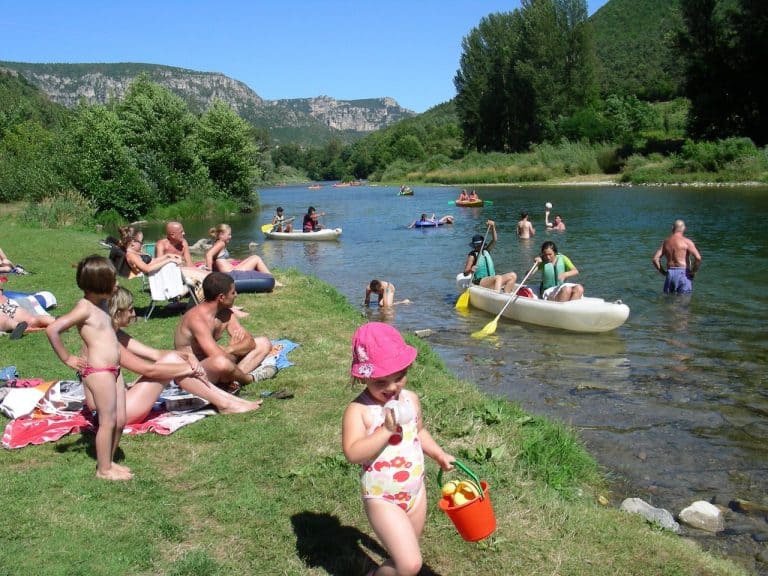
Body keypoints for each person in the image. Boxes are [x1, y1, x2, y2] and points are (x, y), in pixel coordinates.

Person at [342, 322, 454, 576]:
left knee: (404, 557)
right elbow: (352, 452)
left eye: (399, 377)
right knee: (410, 563)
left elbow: (419, 431)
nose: (392, 387)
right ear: (363, 376)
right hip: (382, 496)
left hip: (415, 492)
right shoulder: (359, 411)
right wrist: (386, 430)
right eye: (381, 381)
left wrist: (438, 453)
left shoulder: (410, 399)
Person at [109, 287, 262, 421]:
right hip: (119, 412)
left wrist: (187, 357)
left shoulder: (115, 333)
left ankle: (228, 401)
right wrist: (188, 368)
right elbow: (147, 370)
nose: (133, 313)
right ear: (116, 313)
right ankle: (226, 403)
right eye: (130, 310)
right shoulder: (108, 340)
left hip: (120, 405)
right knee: (175, 361)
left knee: (174, 358)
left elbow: (154, 353)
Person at [46, 255, 132, 481]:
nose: (116, 285)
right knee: (108, 420)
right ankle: (103, 470)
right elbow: (53, 330)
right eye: (112, 282)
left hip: (114, 370)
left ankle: (110, 461)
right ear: (98, 286)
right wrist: (67, 358)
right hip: (99, 371)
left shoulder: (102, 302)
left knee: (120, 420)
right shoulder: (84, 308)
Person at [174, 272, 276, 393]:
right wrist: (232, 350)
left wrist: (230, 349)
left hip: (215, 363)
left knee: (263, 343)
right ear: (222, 297)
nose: (236, 295)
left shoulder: (225, 313)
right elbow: (218, 358)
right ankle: (250, 378)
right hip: (192, 371)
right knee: (222, 363)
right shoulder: (197, 320)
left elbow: (250, 342)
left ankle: (234, 380)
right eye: (233, 292)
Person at [205, 224, 277, 283]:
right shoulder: (221, 243)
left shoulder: (217, 243)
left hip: (231, 270)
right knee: (256, 258)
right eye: (229, 234)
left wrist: (229, 260)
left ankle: (272, 279)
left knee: (252, 257)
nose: (230, 237)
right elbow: (209, 255)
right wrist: (209, 273)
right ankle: (273, 281)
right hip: (231, 274)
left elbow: (218, 259)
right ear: (221, 234)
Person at [462, 220, 518, 293]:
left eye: (479, 244)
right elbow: (465, 273)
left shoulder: (486, 251)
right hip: (480, 281)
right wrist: (471, 270)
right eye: (476, 245)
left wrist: (493, 227)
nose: (478, 246)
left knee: (513, 275)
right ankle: (497, 297)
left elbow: (494, 240)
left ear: (483, 244)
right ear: (473, 245)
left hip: (491, 280)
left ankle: (506, 295)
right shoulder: (472, 255)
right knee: (498, 277)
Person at [652, 219, 702, 294]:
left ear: (672, 228)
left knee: (668, 301)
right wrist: (693, 272)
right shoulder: (687, 242)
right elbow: (698, 258)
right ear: (684, 229)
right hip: (683, 274)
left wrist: (663, 272)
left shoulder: (666, 242)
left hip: (670, 274)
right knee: (683, 302)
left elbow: (655, 259)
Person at [118, 227, 184, 278]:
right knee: (190, 273)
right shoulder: (131, 255)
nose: (142, 243)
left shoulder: (135, 252)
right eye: (141, 241)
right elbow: (147, 269)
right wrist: (169, 260)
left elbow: (153, 261)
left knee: (187, 270)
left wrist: (167, 256)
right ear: (133, 243)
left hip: (157, 271)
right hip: (155, 275)